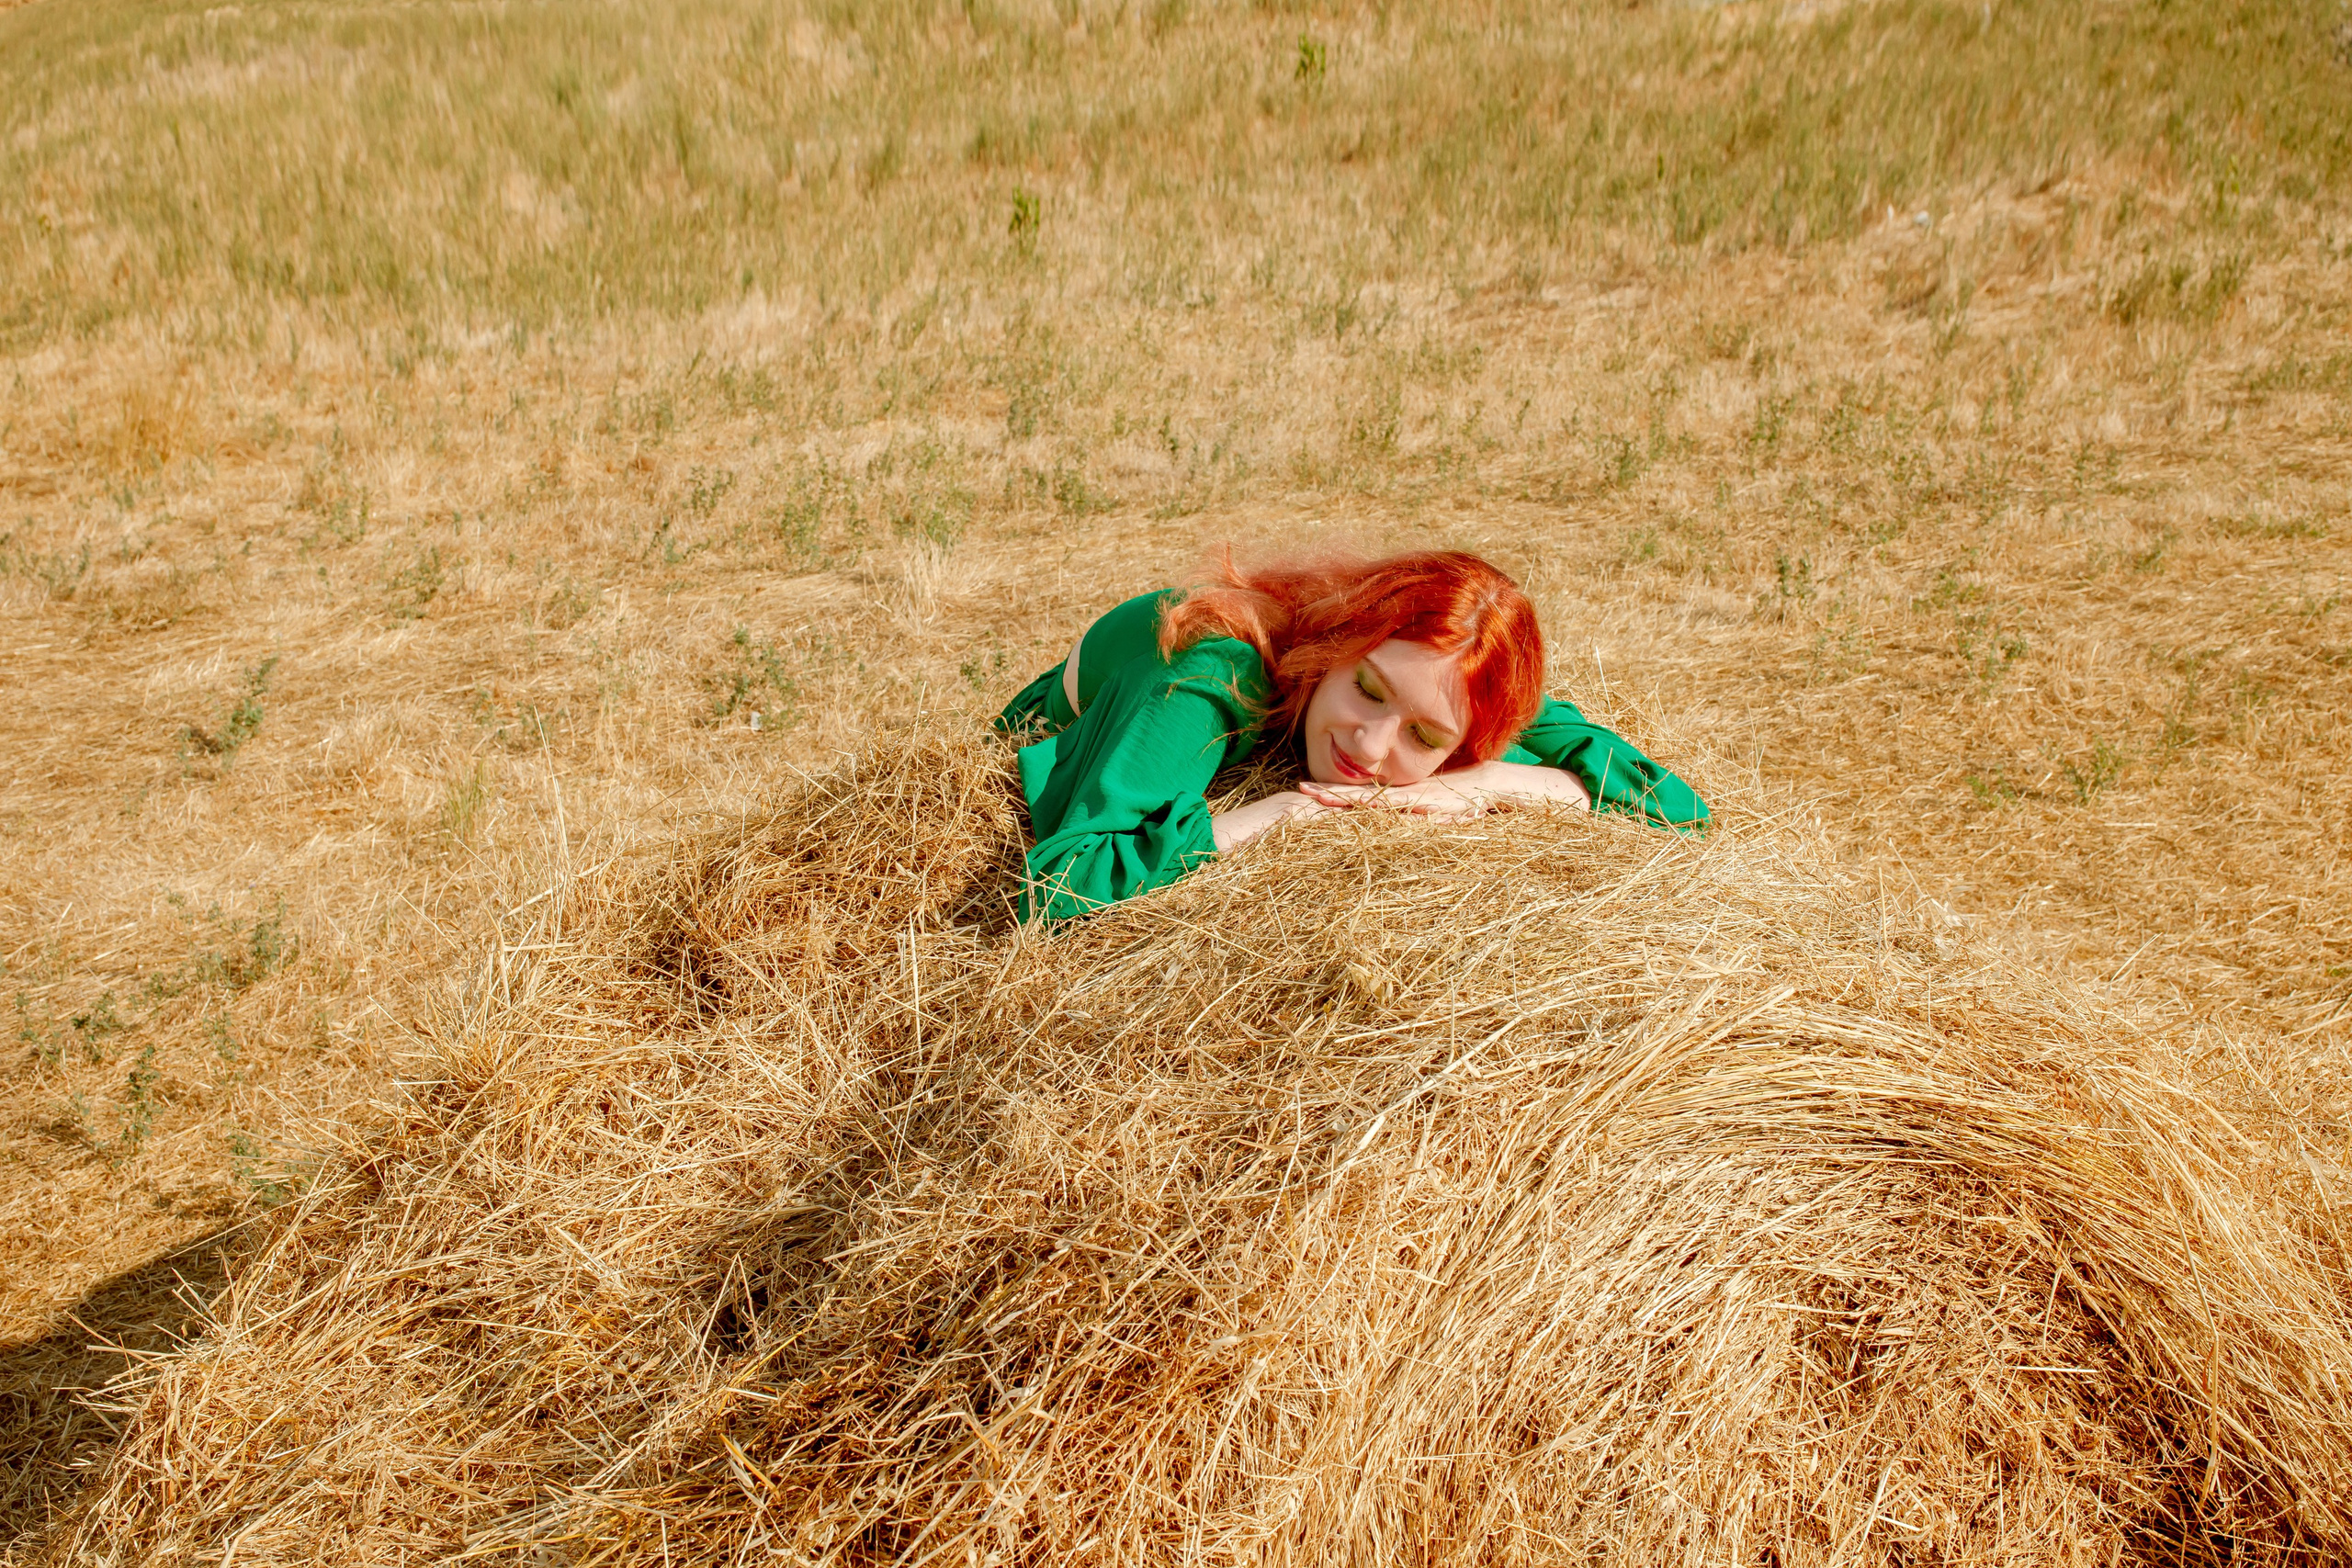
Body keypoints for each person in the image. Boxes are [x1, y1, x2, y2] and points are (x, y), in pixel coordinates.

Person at [996, 547, 1708, 920]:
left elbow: (1677, 809)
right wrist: (1278, 812)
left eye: (1423, 738)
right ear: (1336, 639)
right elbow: (1062, 884)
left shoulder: (1451, 674)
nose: (1369, 747)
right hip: (1081, 723)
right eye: (1367, 689)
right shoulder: (1214, 675)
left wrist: (1490, 781)